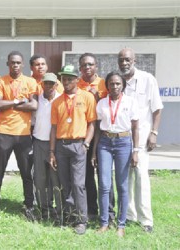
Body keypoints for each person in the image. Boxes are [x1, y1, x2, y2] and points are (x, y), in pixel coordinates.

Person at [118, 48, 163, 233]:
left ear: (134, 60)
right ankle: (130, 215)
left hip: (142, 138)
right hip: (121, 138)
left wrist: (154, 132)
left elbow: (157, 108)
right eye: (121, 60)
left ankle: (146, 220)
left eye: (127, 59)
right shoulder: (118, 81)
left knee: (141, 176)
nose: (124, 63)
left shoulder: (147, 79)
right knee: (124, 177)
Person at [0, 51, 38, 221]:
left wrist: (9, 105)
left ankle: (29, 205)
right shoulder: (0, 82)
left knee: (26, 173)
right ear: (8, 64)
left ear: (22, 64)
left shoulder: (30, 82)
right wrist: (18, 102)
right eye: (12, 63)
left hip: (24, 134)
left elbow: (34, 105)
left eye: (18, 62)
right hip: (4, 132)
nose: (15, 65)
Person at [49, 64, 96, 235]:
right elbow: (53, 128)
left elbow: (92, 123)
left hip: (78, 145)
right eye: (64, 79)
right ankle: (69, 216)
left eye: (70, 78)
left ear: (77, 79)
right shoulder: (57, 102)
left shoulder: (87, 97)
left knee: (78, 184)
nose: (66, 81)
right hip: (61, 146)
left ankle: (82, 220)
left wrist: (86, 144)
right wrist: (52, 152)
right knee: (65, 183)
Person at [91, 71, 139, 237]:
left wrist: (136, 151)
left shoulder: (130, 102)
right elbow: (97, 129)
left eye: (118, 83)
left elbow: (135, 128)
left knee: (122, 185)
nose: (115, 86)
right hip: (104, 143)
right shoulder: (102, 103)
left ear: (122, 85)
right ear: (107, 86)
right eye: (111, 83)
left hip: (123, 143)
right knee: (104, 185)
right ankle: (104, 222)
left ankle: (121, 224)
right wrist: (94, 153)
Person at [77, 53, 110, 221]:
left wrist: (98, 96)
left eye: (90, 64)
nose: (87, 67)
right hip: (86, 135)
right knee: (88, 176)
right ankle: (92, 210)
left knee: (105, 176)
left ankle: (109, 213)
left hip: (105, 134)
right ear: (80, 68)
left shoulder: (105, 83)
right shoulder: (77, 85)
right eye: (84, 65)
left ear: (96, 66)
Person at [32, 72, 62, 221]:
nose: (49, 86)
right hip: (39, 142)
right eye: (46, 83)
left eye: (52, 83)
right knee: (40, 178)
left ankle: (59, 209)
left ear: (57, 85)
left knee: (56, 178)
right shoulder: (37, 100)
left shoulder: (61, 99)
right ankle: (44, 208)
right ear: (42, 84)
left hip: (56, 145)